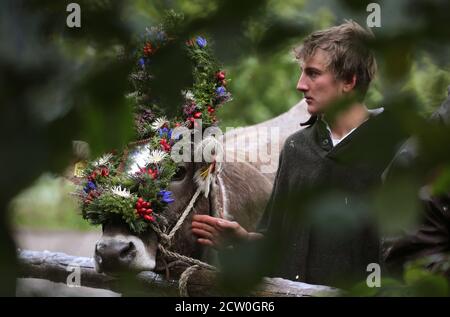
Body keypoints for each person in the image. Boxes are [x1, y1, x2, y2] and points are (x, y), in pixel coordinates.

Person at [192, 20, 407, 287]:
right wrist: (243, 241)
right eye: (302, 73)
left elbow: (407, 252)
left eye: (313, 74)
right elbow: (278, 244)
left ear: (349, 81)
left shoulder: (395, 150)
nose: (300, 85)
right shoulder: (296, 148)